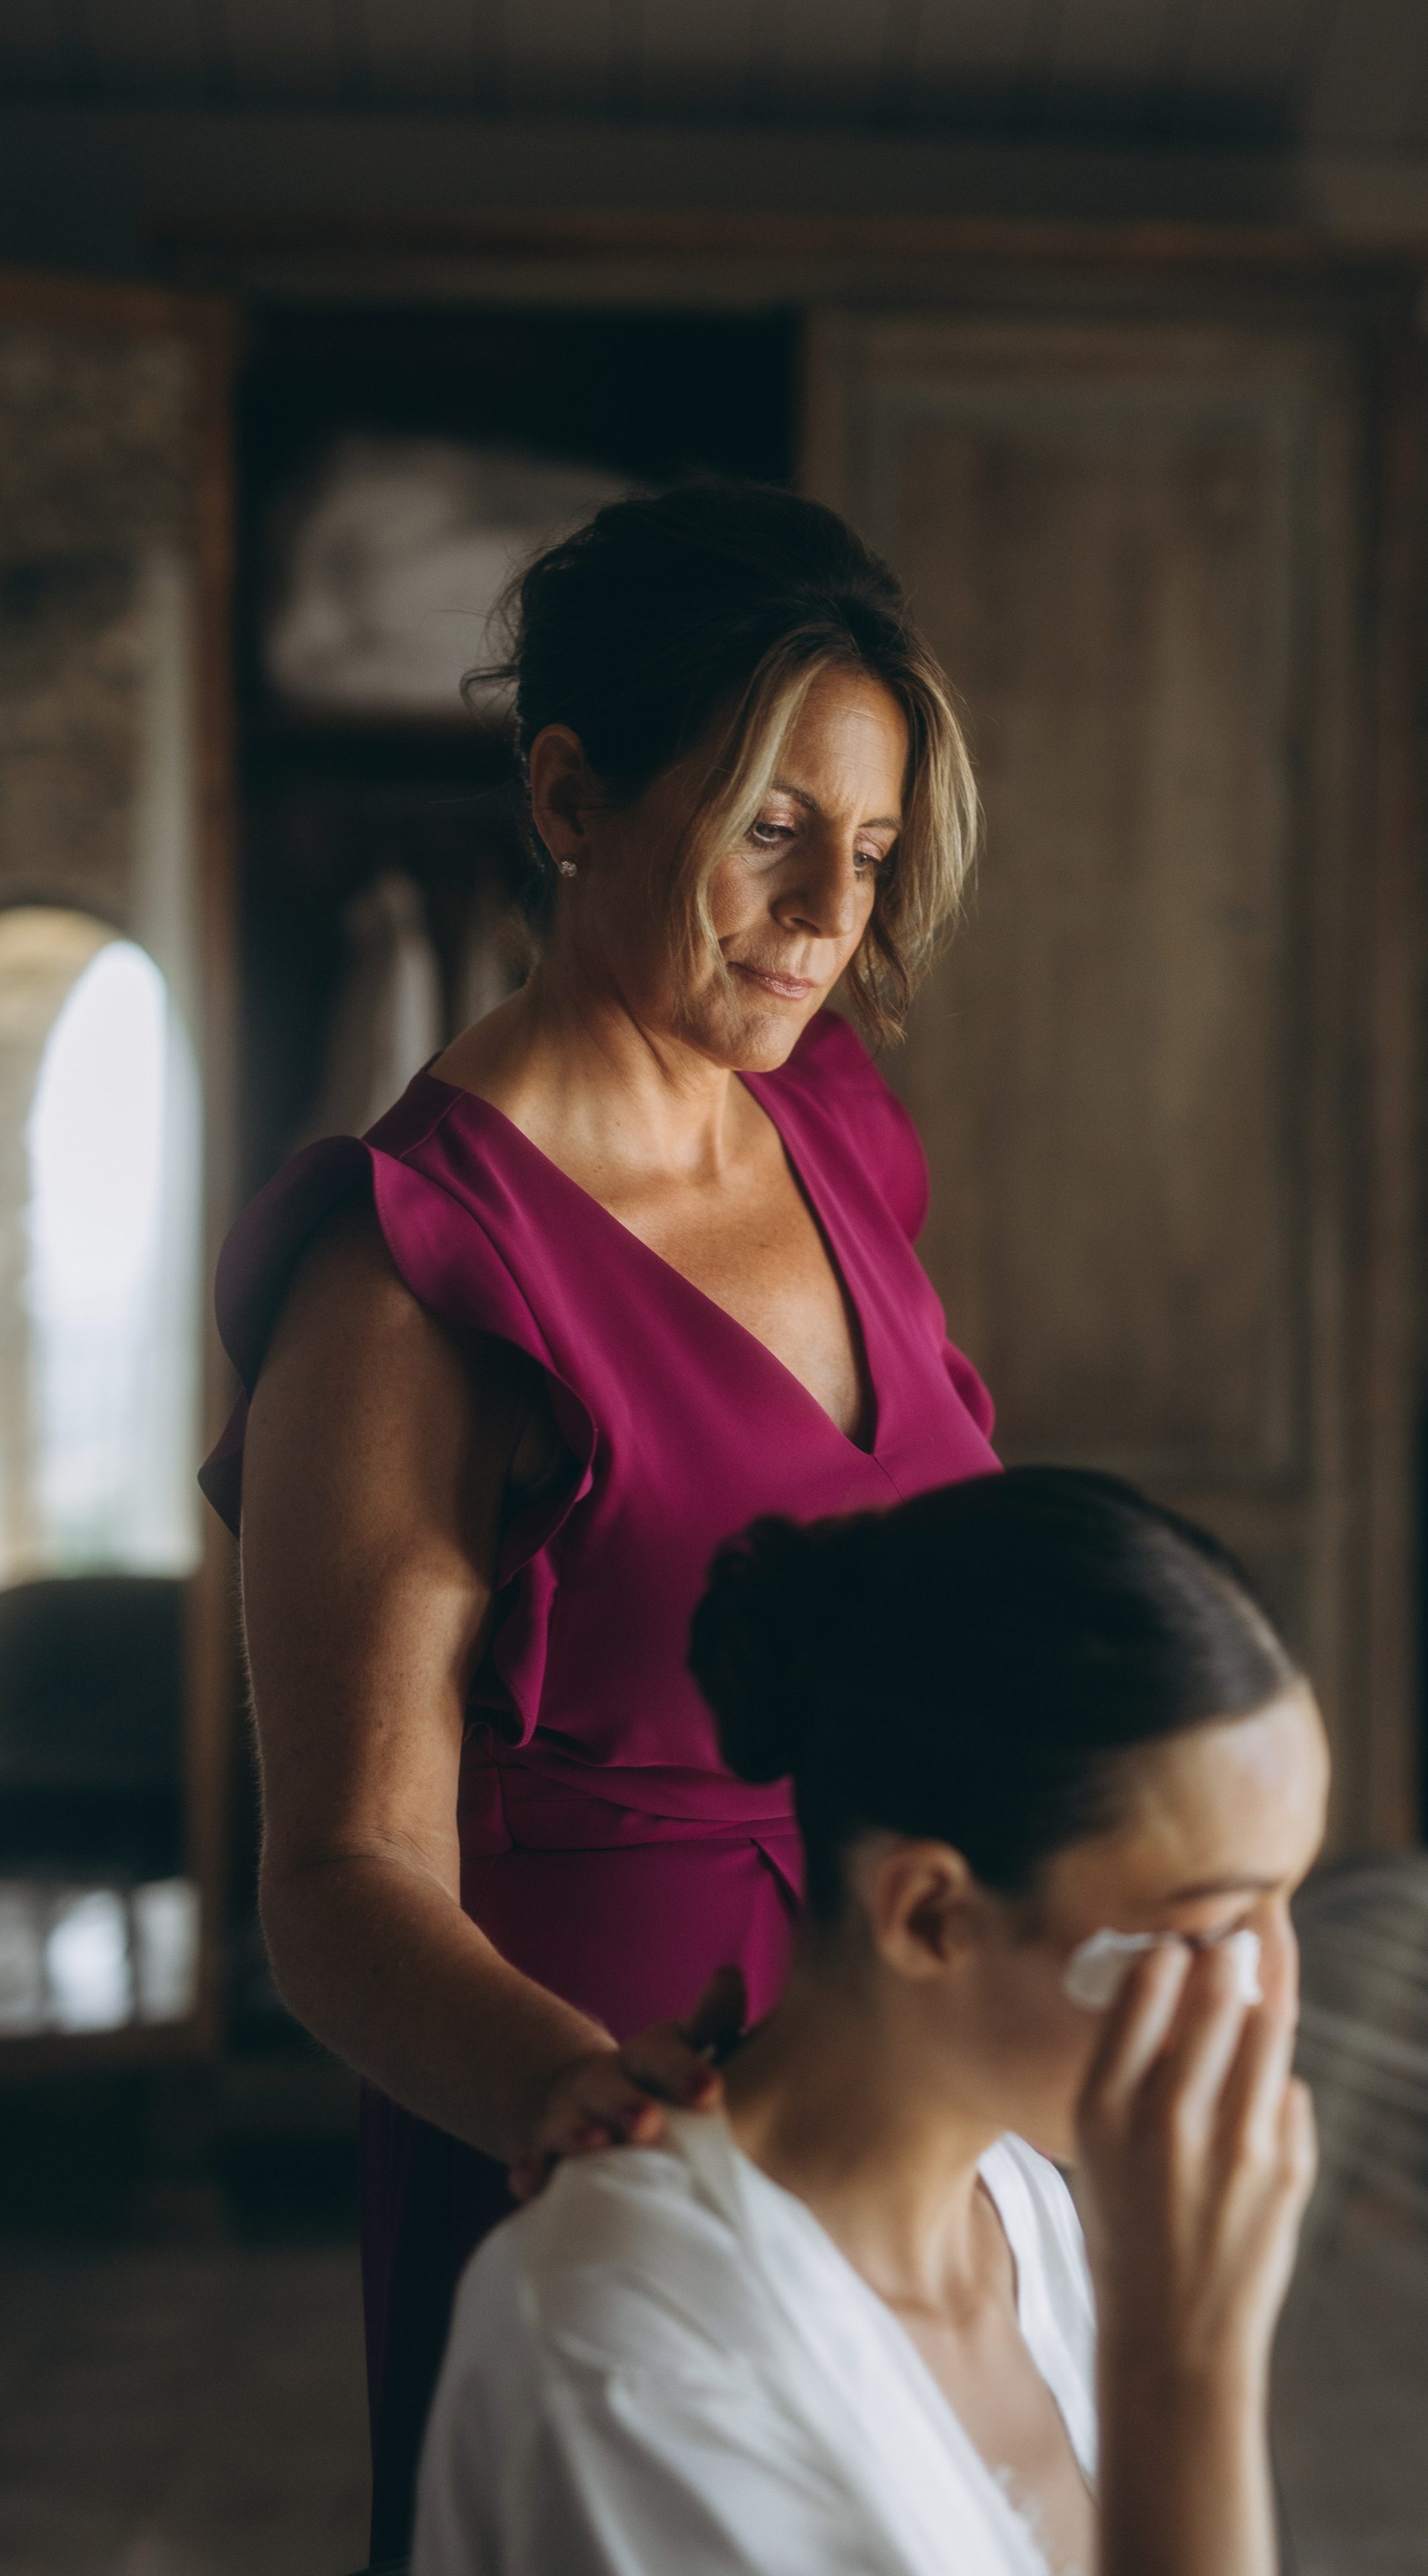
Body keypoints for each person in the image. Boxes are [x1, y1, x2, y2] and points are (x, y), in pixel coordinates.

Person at [197, 484, 993, 2557]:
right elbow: (336, 1879)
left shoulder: (841, 1138)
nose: (830, 913)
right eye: (768, 829)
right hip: (610, 2138)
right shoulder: (408, 1276)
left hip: (914, 2076)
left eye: (877, 848)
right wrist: (604, 2122)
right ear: (570, 791)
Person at [414, 1467, 1329, 2576]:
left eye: (1288, 1903)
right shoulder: (626, 2355)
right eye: (1207, 1930)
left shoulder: (1021, 2203)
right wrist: (1186, 2369)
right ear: (929, 1915)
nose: (1272, 1994)